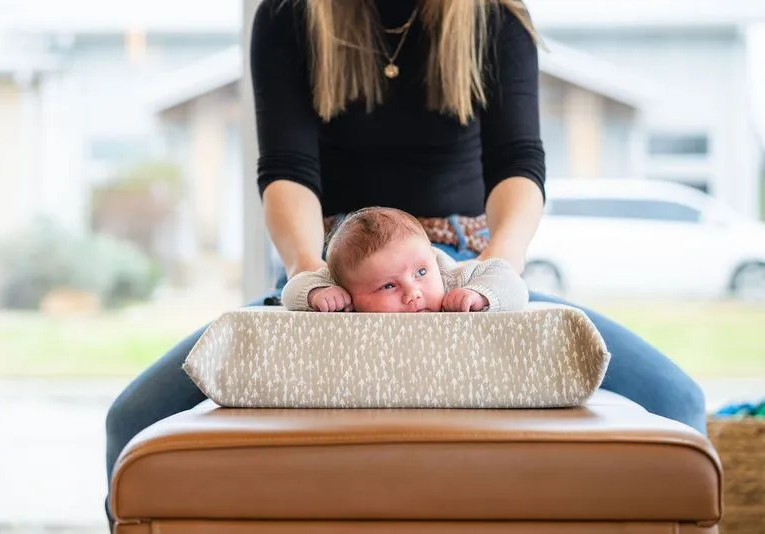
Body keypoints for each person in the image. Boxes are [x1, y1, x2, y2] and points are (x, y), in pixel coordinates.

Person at [104, 0, 706, 525]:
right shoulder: (289, 15)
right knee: (129, 420)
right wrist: (312, 278)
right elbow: (287, 172)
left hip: (466, 271)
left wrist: (497, 275)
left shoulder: (495, 15)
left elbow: (519, 164)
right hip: (341, 280)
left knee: (677, 400)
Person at [281, 206, 529, 312]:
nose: (413, 293)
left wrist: (479, 294)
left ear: (432, 259)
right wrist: (318, 293)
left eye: (421, 273)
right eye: (389, 286)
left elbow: (512, 283)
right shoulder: (347, 285)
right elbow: (292, 289)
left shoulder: (454, 279)